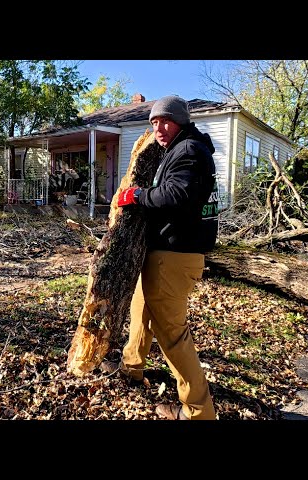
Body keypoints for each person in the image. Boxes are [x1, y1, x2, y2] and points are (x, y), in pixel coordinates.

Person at [100, 95, 219, 420]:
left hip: (175, 255)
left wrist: (136, 195)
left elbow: (178, 195)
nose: (158, 128)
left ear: (180, 120)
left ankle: (198, 412)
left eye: (164, 120)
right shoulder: (181, 149)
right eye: (153, 122)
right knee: (141, 309)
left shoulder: (189, 151)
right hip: (165, 253)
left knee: (172, 334)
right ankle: (131, 367)